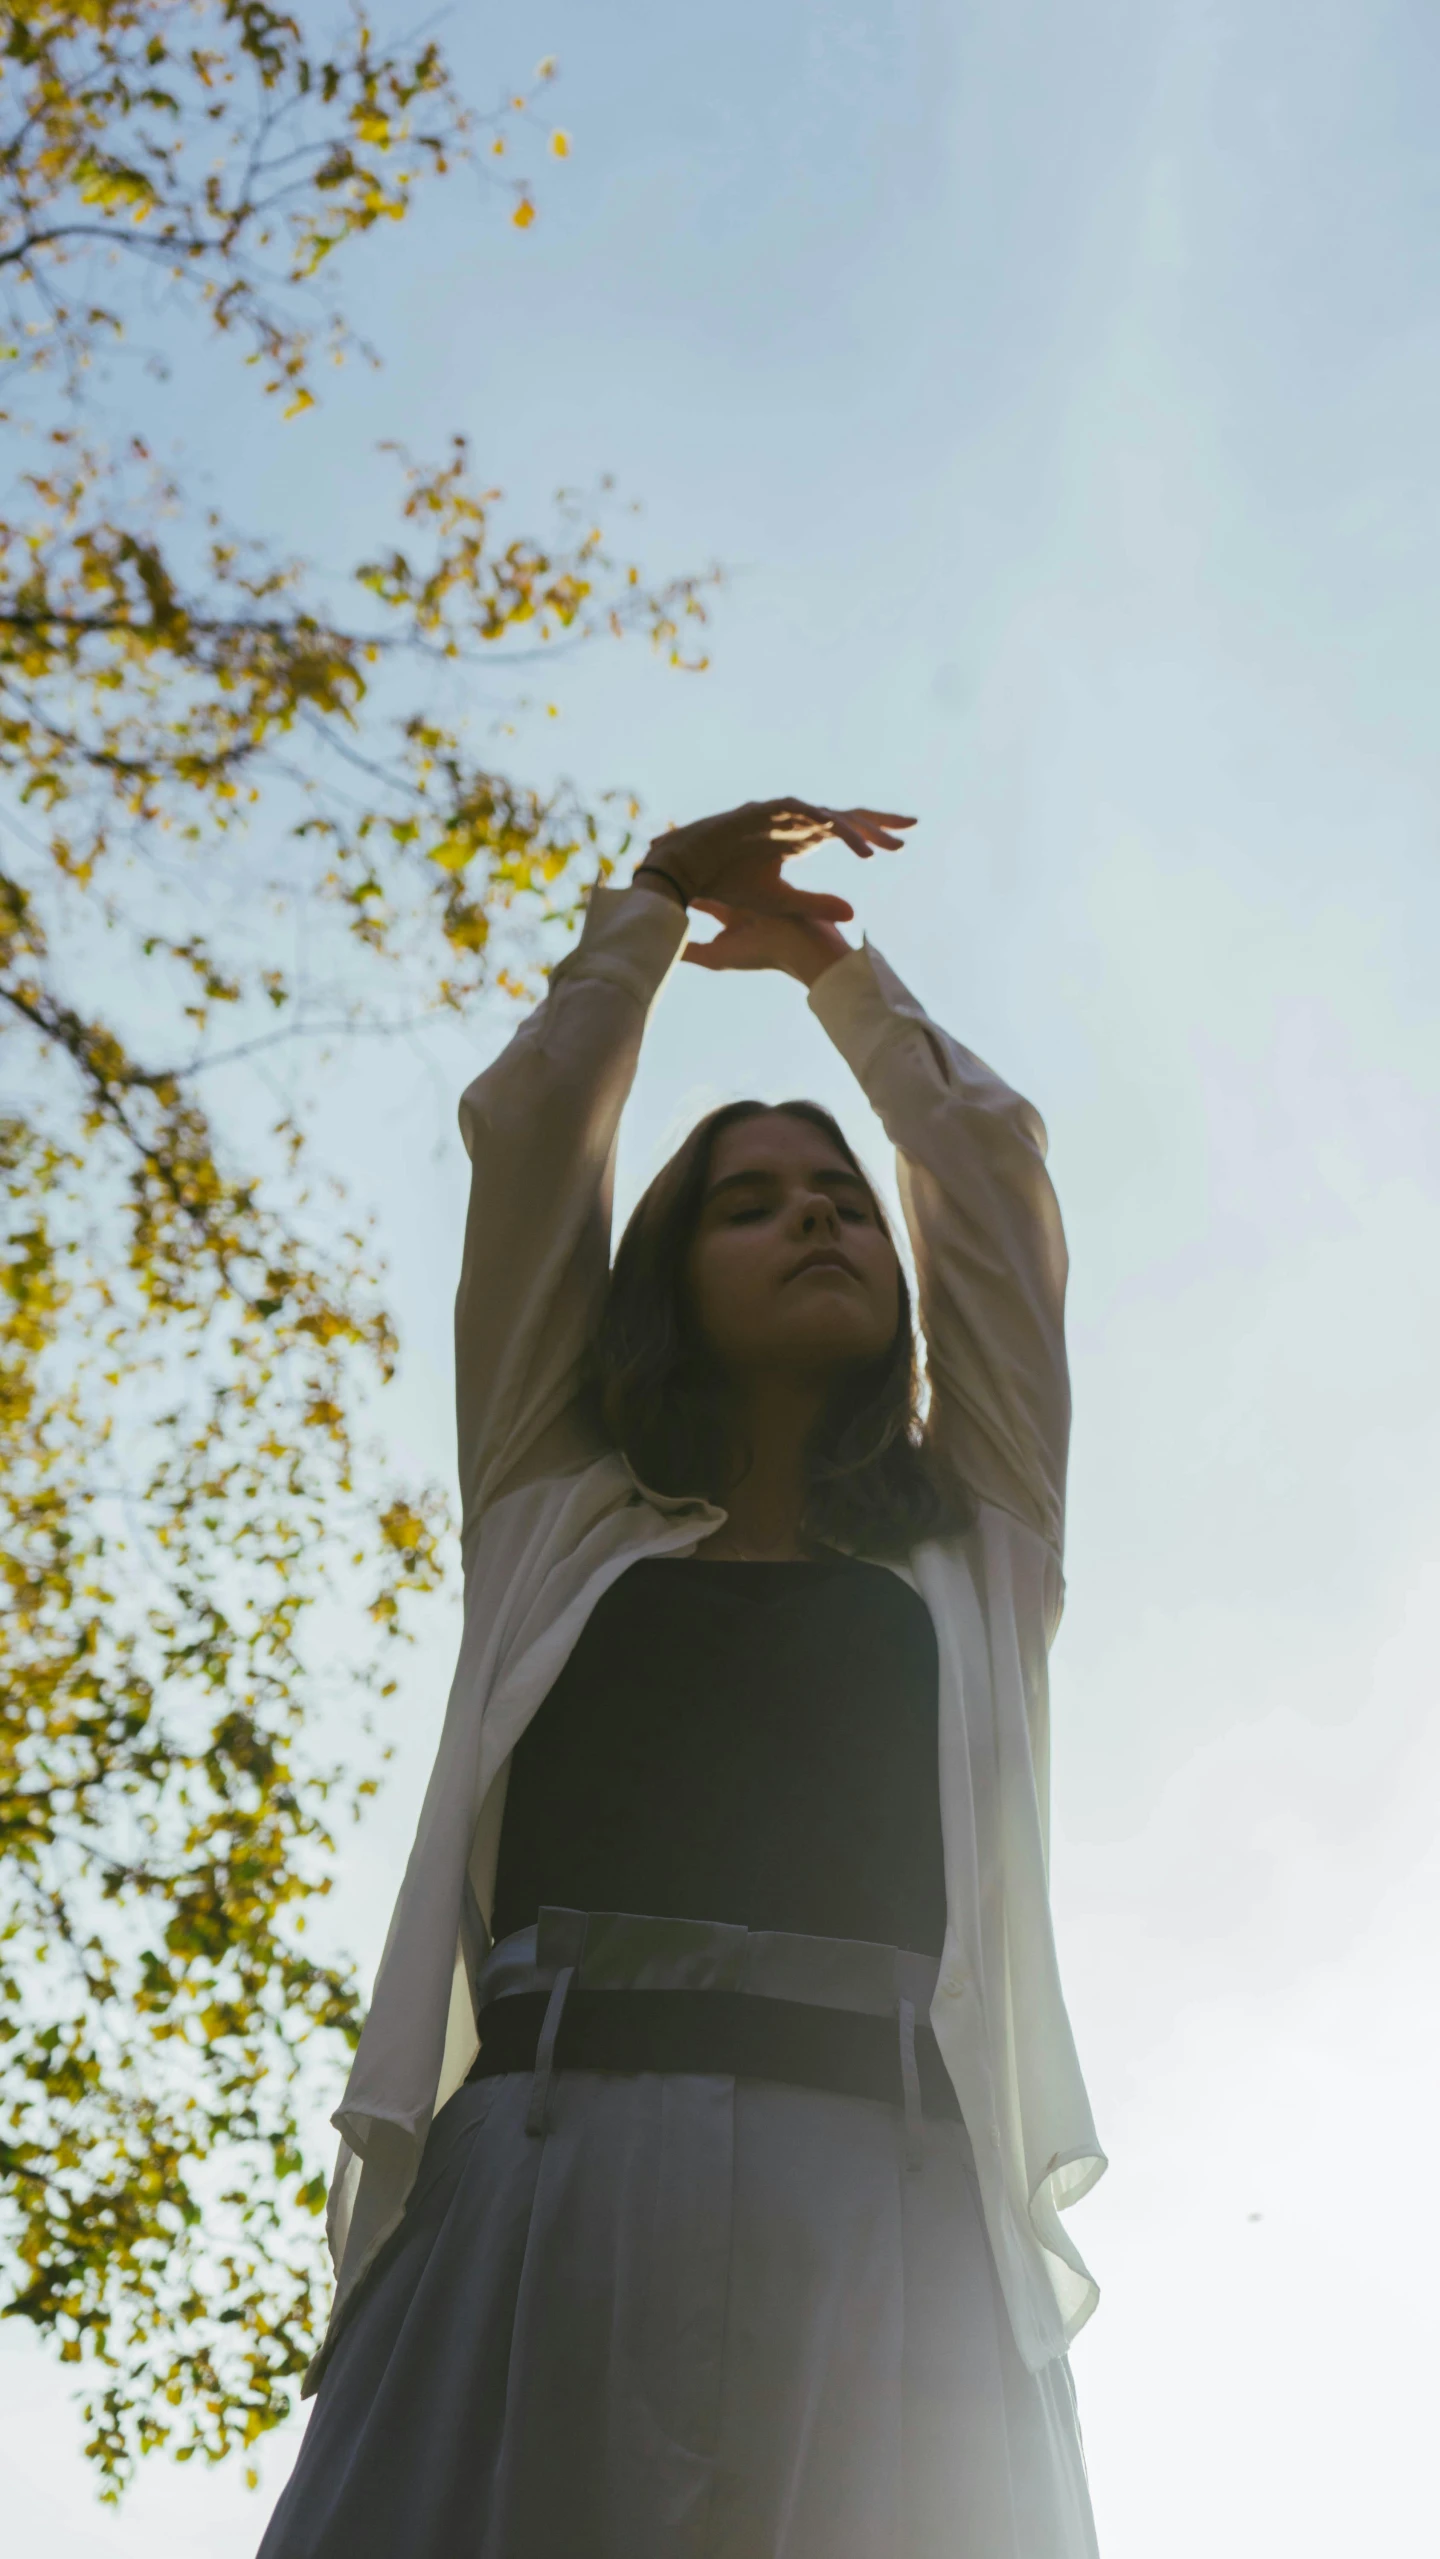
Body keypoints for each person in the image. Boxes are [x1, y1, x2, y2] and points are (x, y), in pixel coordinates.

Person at [257, 800, 1106, 2559]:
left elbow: (998, 1172)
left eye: (842, 1204)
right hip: (542, 2191)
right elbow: (528, 1134)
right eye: (752, 1206)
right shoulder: (556, 1512)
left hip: (887, 2210)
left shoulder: (976, 1541)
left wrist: (829, 972)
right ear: (670, 1276)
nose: (818, 1225)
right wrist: (646, 907)